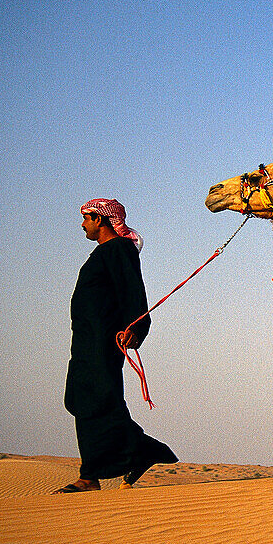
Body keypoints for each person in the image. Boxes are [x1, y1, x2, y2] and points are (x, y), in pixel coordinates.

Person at [53, 198, 177, 493]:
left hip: (104, 338)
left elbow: (133, 290)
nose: (82, 225)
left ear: (99, 219)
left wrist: (135, 327)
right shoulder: (102, 253)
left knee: (98, 397)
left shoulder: (119, 249)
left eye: (86, 218)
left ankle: (90, 476)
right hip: (86, 340)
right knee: (79, 398)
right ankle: (139, 452)